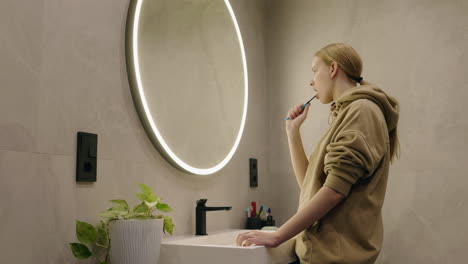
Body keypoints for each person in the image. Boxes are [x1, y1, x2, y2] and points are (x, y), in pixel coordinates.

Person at [236, 43, 400, 264]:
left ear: (333, 69)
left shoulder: (361, 111)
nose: (311, 81)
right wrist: (292, 132)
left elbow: (334, 191)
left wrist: (278, 235)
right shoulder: (349, 113)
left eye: (315, 70)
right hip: (325, 254)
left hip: (333, 257)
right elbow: (311, 187)